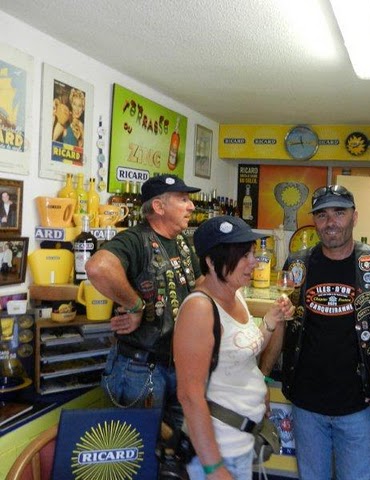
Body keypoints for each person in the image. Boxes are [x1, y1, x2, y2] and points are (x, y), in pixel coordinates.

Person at [260, 184, 370, 480]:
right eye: (322, 215)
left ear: (354, 217)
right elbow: (283, 320)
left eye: (339, 213)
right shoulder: (297, 263)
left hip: (357, 403)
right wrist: (263, 379)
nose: (330, 222)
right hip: (305, 403)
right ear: (314, 220)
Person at [175, 216, 293, 480]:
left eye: (252, 253)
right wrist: (213, 467)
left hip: (241, 444)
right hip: (218, 452)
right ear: (210, 261)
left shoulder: (235, 293)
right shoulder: (199, 309)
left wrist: (271, 321)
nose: (254, 262)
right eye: (243, 255)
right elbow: (190, 396)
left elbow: (242, 351)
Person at [85, 174, 202, 410]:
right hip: (139, 369)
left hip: (180, 365)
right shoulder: (135, 239)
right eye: (183, 199)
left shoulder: (181, 241)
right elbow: (98, 267)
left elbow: (199, 283)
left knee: (175, 434)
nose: (191, 206)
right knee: (138, 434)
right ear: (158, 206)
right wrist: (135, 305)